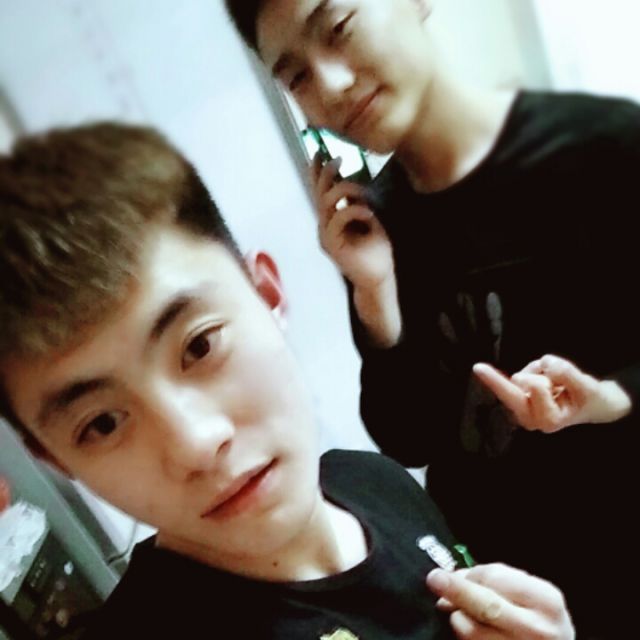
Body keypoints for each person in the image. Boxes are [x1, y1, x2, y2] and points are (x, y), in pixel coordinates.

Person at [0, 123, 574, 639]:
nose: (197, 444)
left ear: (267, 294)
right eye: (102, 423)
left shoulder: (370, 479)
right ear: (53, 458)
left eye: (199, 346)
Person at [224, 0, 640, 636]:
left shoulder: (602, 148)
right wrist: (375, 292)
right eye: (297, 77)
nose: (329, 86)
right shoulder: (376, 222)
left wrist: (608, 400)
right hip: (494, 588)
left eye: (338, 28)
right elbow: (409, 437)